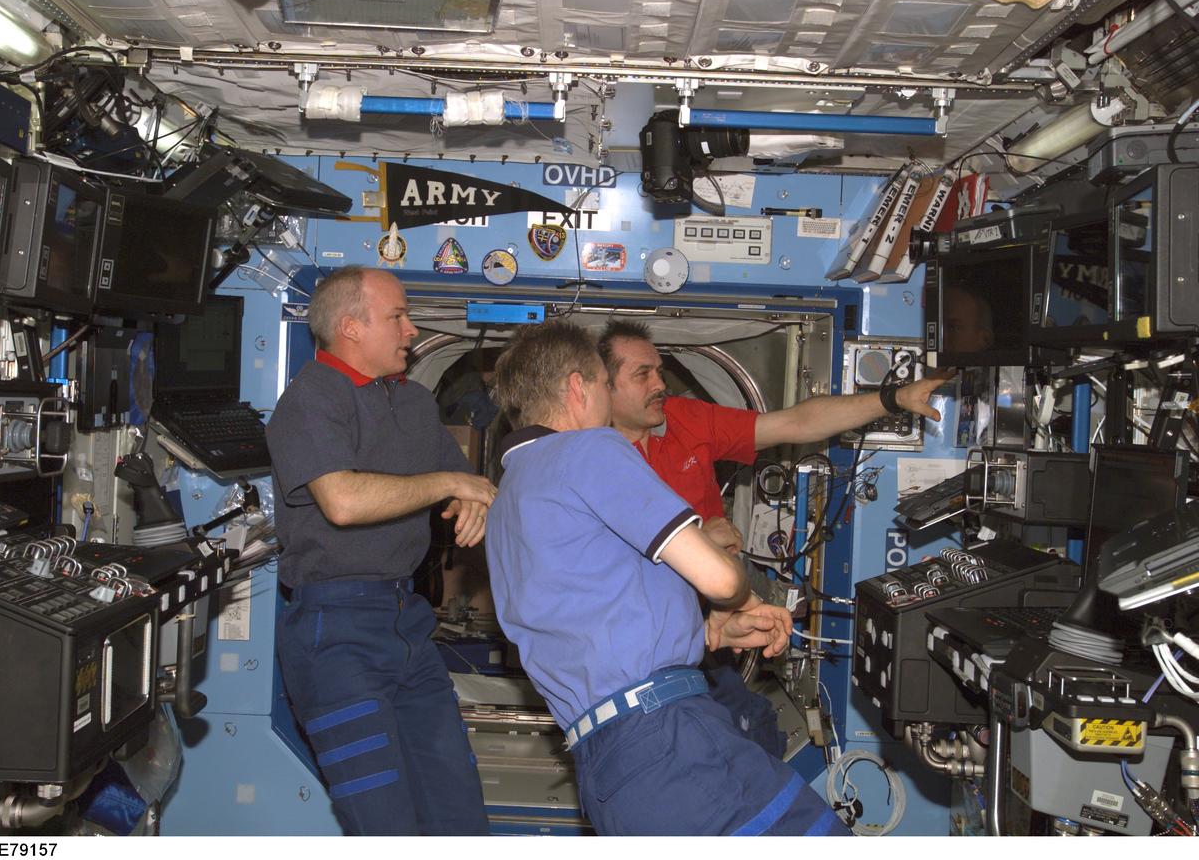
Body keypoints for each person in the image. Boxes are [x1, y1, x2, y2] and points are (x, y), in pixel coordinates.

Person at [485, 320, 851, 836]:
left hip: (609, 765)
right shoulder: (589, 449)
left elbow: (593, 620)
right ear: (577, 387)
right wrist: (740, 597)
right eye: (604, 383)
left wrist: (710, 633)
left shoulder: (508, 499)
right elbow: (720, 579)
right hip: (668, 736)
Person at [595, 319, 946, 751]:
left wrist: (893, 399)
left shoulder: (684, 420)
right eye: (642, 374)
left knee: (758, 730)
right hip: (640, 639)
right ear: (604, 387)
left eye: (659, 371)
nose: (660, 384)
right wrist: (698, 539)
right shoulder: (585, 455)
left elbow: (795, 424)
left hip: (717, 617)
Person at [266, 266, 494, 835]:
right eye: (397, 316)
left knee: (459, 817)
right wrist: (450, 484)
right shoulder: (310, 399)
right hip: (335, 633)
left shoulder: (414, 402)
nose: (411, 329)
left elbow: (465, 486)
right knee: (384, 825)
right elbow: (342, 501)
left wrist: (473, 499)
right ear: (350, 327)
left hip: (407, 622)